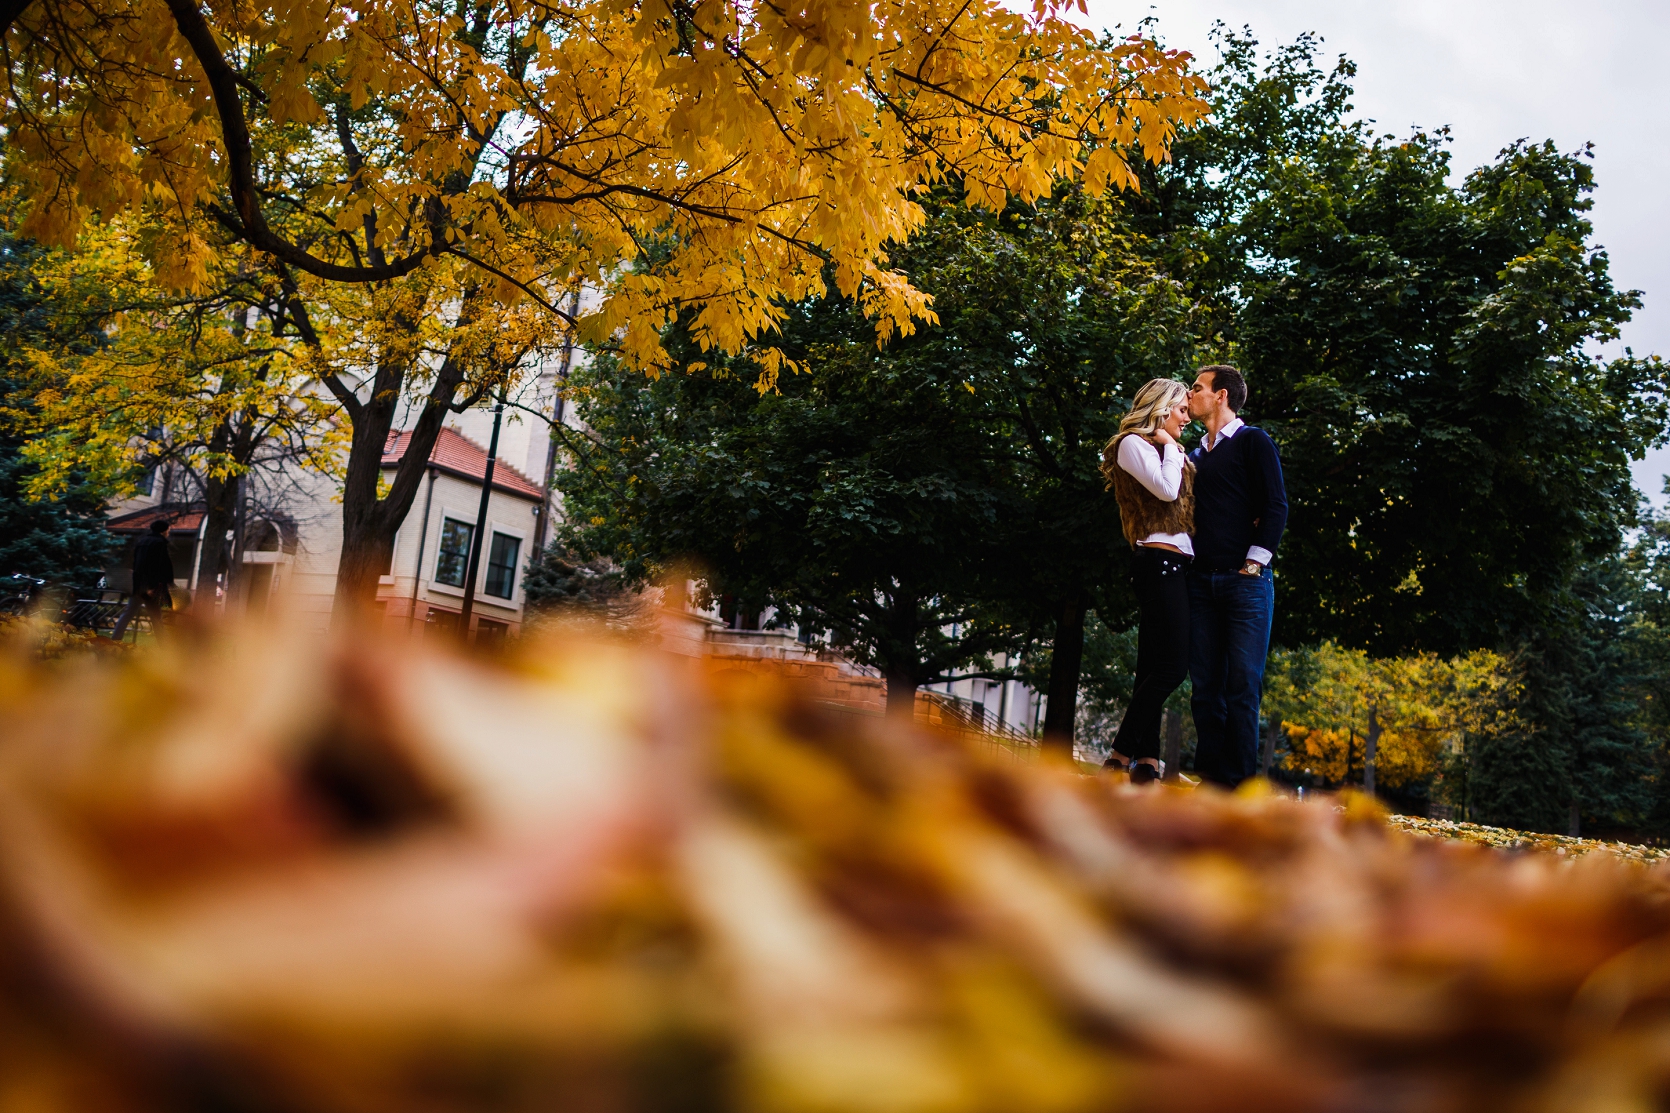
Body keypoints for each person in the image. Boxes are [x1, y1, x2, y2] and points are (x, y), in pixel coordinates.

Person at [1184, 365, 1288, 788]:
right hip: (1200, 583)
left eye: (1197, 388)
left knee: (1242, 684)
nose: (1190, 395)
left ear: (1221, 395)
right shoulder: (1192, 454)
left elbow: (1276, 504)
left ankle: (1240, 787)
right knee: (1205, 685)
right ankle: (1211, 780)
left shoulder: (1253, 442)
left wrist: (1254, 563)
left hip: (1246, 584)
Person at [1098, 378, 1195, 785]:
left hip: (1176, 566)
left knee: (1151, 668)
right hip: (1157, 563)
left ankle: (1147, 762)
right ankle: (1120, 753)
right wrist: (1172, 450)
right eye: (1182, 410)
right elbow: (1167, 490)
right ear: (1161, 408)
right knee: (1174, 667)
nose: (1187, 418)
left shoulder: (1170, 450)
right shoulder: (1130, 444)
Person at [112, 518, 175, 641]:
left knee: (128, 613)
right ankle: (164, 646)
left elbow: (137, 565)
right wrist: (152, 587)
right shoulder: (159, 544)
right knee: (156, 618)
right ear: (163, 530)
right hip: (150, 587)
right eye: (168, 529)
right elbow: (157, 567)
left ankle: (115, 639)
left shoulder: (142, 542)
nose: (169, 532)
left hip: (138, 585)